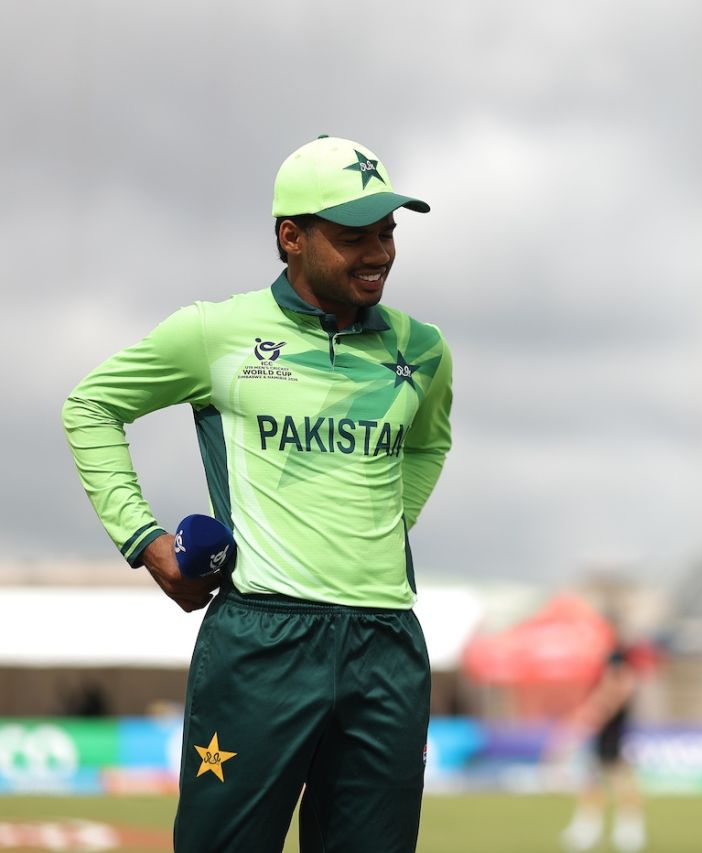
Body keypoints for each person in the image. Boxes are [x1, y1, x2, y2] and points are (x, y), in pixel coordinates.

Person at [61, 135, 452, 852]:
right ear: (291, 237)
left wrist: (387, 521)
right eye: (354, 237)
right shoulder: (216, 332)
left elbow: (428, 442)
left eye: (388, 231)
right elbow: (91, 408)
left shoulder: (422, 349)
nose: (379, 253)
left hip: (388, 644)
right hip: (263, 642)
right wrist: (145, 541)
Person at [547, 632, 646, 852]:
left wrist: (583, 721)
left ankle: (628, 830)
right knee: (593, 783)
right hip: (603, 738)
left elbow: (603, 706)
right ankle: (591, 828)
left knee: (619, 782)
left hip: (613, 738)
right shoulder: (613, 679)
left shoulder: (620, 679)